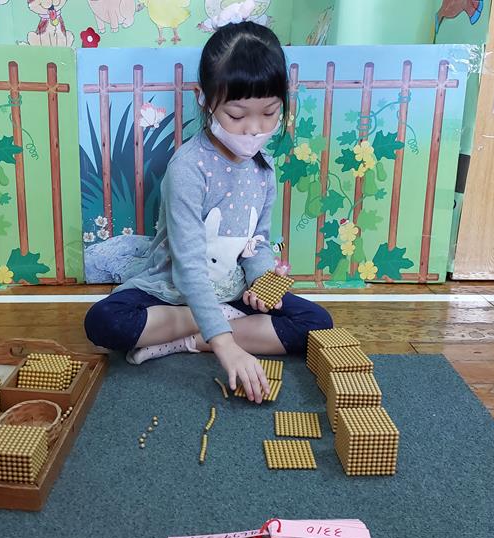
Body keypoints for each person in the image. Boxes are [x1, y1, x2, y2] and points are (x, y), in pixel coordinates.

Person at [84, 20, 333, 403]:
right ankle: (213, 329)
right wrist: (226, 344)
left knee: (317, 323)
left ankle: (188, 340)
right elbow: (187, 267)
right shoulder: (189, 168)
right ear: (204, 99)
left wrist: (261, 282)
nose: (253, 129)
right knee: (104, 322)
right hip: (172, 292)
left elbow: (257, 242)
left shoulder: (264, 169)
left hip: (231, 292)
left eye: (269, 113)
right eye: (237, 115)